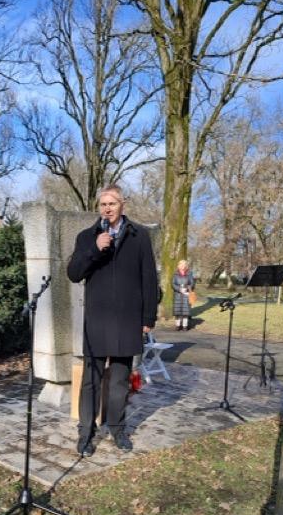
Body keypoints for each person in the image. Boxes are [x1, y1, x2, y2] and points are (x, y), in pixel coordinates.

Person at [67, 184, 158, 457]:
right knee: (90, 381)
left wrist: (148, 317)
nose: (107, 209)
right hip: (97, 319)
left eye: (112, 204)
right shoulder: (87, 236)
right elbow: (74, 273)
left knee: (120, 381)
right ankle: (86, 433)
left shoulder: (139, 236)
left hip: (128, 319)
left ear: (122, 205)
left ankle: (118, 429)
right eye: (103, 204)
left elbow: (149, 279)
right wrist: (95, 249)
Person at [172, 259, 195, 330]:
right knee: (177, 311)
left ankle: (185, 326)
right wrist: (179, 289)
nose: (182, 266)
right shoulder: (175, 274)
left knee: (186, 311)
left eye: (184, 264)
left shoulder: (189, 274)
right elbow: (173, 284)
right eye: (181, 264)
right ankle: (178, 325)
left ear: (186, 266)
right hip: (178, 294)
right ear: (178, 265)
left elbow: (192, 283)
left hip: (186, 294)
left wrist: (187, 288)